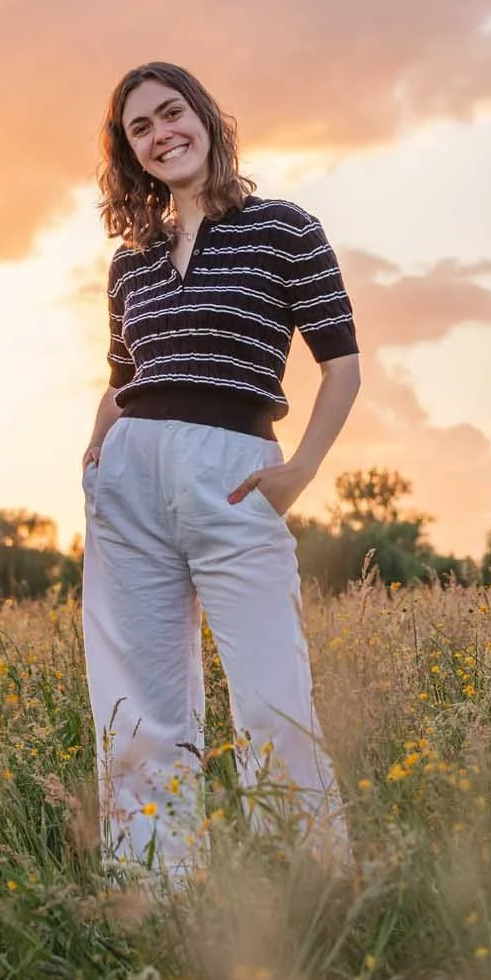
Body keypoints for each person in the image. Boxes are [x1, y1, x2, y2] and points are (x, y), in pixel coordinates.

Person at [81, 61, 362, 876]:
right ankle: (154, 890)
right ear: (130, 152)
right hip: (131, 478)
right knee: (140, 707)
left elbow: (342, 366)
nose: (161, 134)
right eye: (140, 128)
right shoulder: (130, 263)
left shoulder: (284, 229)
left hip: (235, 468)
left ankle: (308, 887)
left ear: (205, 118)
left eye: (172, 113)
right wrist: (94, 457)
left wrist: (300, 471)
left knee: (273, 697)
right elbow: (124, 377)